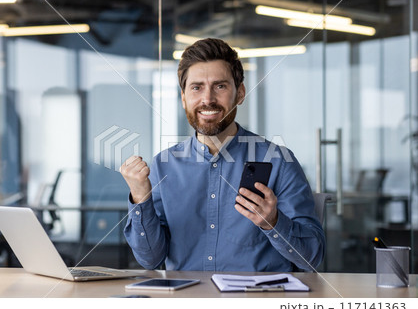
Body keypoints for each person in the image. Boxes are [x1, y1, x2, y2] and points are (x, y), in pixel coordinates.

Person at [121, 38, 325, 271]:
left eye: (220, 86)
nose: (207, 99)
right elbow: (150, 260)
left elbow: (313, 258)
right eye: (197, 87)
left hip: (255, 303)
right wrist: (140, 198)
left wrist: (274, 223)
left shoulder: (278, 161)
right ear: (184, 98)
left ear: (240, 94)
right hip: (187, 302)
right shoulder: (162, 166)